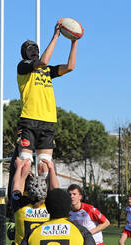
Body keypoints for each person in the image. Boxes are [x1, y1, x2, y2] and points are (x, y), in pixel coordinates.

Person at [16, 19, 78, 178]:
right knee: (25, 165)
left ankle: (44, 201)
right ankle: (18, 201)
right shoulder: (23, 66)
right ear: (25, 54)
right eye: (30, 49)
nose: (34, 50)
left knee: (44, 166)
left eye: (36, 47)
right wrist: (56, 35)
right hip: (29, 119)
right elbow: (43, 60)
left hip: (48, 121)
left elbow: (70, 66)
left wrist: (73, 42)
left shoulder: (48, 71)